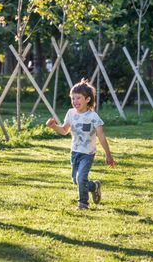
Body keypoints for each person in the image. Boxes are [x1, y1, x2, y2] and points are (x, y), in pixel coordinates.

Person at [46, 79, 115, 210]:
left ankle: (83, 204)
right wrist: (54, 126)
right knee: (76, 180)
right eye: (73, 98)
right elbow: (64, 130)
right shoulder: (70, 113)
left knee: (81, 177)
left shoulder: (93, 117)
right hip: (75, 152)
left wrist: (108, 155)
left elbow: (101, 136)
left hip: (87, 153)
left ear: (87, 99)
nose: (75, 101)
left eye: (78, 98)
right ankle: (94, 186)